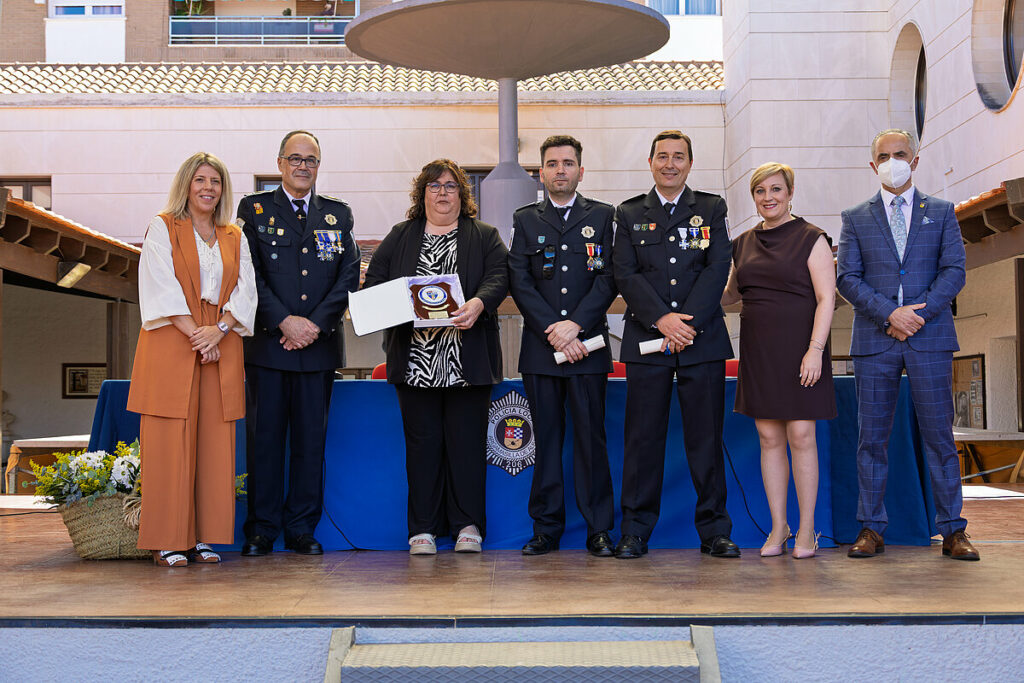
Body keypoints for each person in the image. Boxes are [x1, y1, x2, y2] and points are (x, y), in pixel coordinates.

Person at [837, 128, 978, 561]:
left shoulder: (941, 212)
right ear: (872, 163)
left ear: (915, 161)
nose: (893, 160)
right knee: (872, 440)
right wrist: (889, 314)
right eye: (884, 155)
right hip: (876, 341)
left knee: (939, 436)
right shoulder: (855, 216)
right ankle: (871, 528)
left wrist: (917, 314)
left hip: (930, 338)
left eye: (900, 154)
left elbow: (954, 269)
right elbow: (847, 277)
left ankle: (953, 530)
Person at [363, 159, 508, 555]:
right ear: (421, 193)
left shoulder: (484, 235)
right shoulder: (401, 236)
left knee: (466, 448)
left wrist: (478, 303)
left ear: (462, 194)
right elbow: (374, 283)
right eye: (434, 186)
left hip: (467, 362)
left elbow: (499, 275)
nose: (443, 193)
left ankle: (467, 527)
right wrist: (404, 307)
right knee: (422, 449)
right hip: (415, 364)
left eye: (450, 186)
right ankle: (423, 530)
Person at [612, 130, 738, 559]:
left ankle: (715, 532)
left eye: (679, 157)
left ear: (689, 163)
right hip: (648, 342)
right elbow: (625, 274)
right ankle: (634, 531)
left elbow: (718, 265)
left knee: (706, 441)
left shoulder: (710, 207)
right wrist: (662, 320)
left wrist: (687, 324)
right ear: (650, 162)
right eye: (662, 156)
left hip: (701, 342)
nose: (670, 164)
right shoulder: (628, 213)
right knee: (643, 441)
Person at [128, 152, 257, 567]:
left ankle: (203, 536)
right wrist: (199, 335)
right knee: (168, 441)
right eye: (200, 180)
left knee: (214, 443)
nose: (208, 188)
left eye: (215, 181)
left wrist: (218, 330)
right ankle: (168, 538)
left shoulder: (235, 235)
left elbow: (247, 291)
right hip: (173, 337)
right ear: (186, 184)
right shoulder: (162, 226)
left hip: (220, 336)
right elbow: (160, 287)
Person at [236, 130, 360, 557]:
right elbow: (247, 273)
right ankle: (261, 530)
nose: (303, 165)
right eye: (295, 158)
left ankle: (301, 529)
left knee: (310, 445)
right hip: (270, 348)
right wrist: (285, 322)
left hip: (318, 349)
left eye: (311, 159)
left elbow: (348, 274)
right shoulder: (253, 210)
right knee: (265, 442)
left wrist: (313, 326)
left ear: (318, 166)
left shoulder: (338, 215)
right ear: (280, 164)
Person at [508, 135, 618, 557]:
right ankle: (546, 528)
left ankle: (599, 530)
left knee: (592, 441)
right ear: (541, 172)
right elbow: (521, 280)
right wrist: (555, 328)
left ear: (580, 171)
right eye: (552, 164)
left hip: (588, 345)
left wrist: (575, 326)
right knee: (547, 441)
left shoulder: (603, 216)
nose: (560, 170)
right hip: (542, 349)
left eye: (568, 163)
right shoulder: (526, 219)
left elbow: (609, 276)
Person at [721, 162, 836, 560]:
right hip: (759, 352)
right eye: (760, 191)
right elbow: (728, 296)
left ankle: (807, 530)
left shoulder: (812, 238)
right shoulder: (741, 243)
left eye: (776, 190)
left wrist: (815, 350)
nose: (768, 198)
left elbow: (827, 298)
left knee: (801, 437)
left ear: (790, 193)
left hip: (803, 352)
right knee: (768, 439)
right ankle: (778, 526)